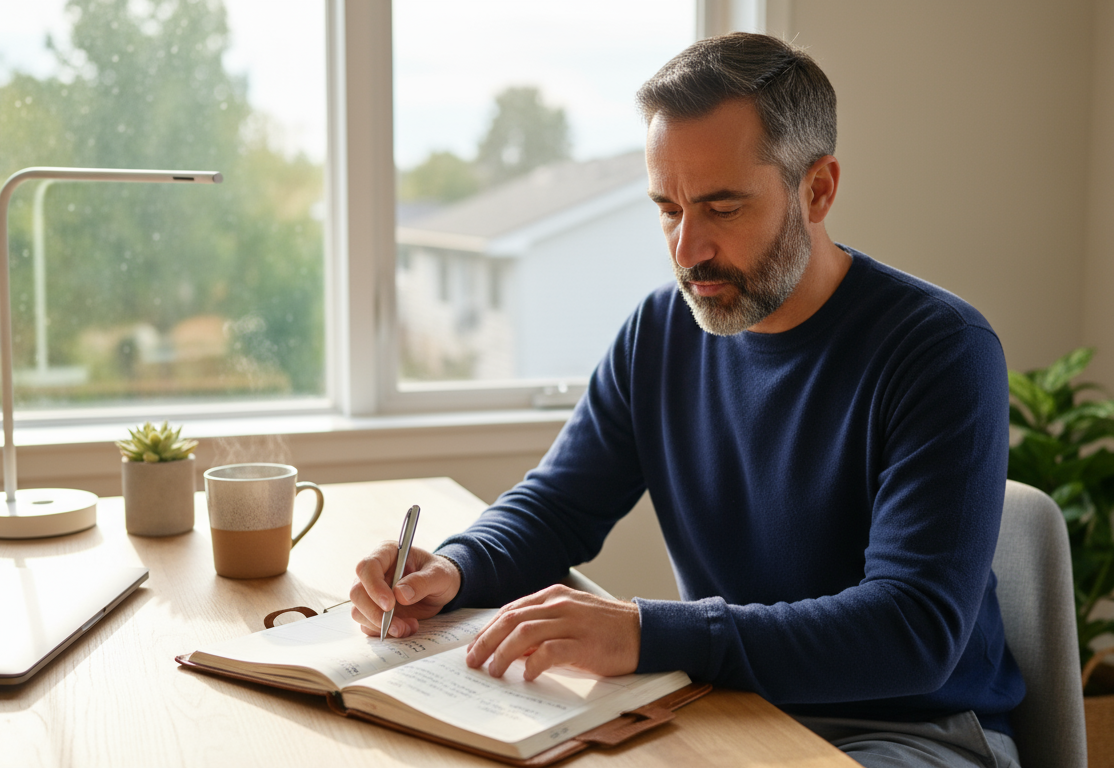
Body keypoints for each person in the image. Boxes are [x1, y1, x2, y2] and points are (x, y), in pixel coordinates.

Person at [350, 32, 1025, 768]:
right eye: (667, 208)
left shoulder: (940, 350)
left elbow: (911, 632)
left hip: (912, 733)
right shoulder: (661, 331)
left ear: (819, 189)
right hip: (731, 709)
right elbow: (558, 507)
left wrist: (644, 632)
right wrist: (455, 567)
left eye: (722, 208)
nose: (686, 249)